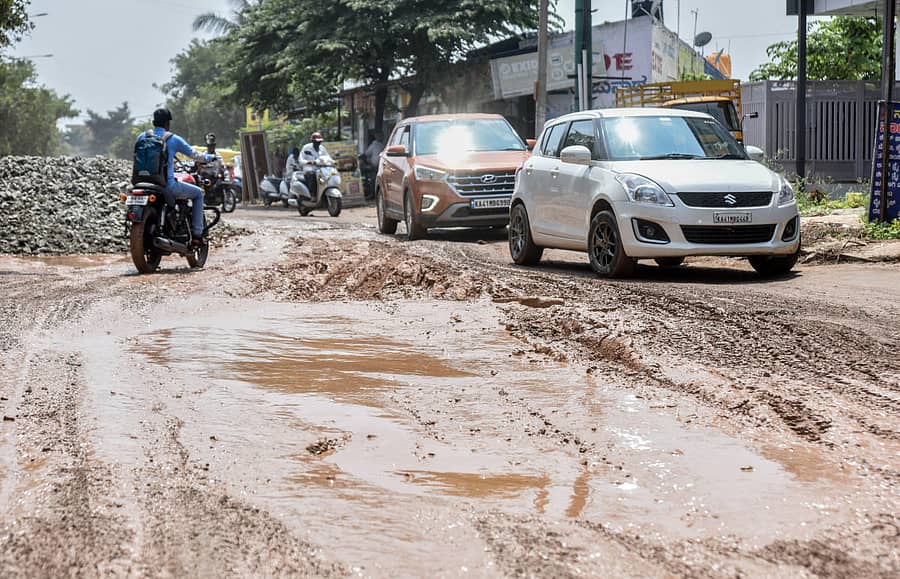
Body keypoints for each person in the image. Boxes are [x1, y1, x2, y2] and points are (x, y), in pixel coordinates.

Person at [145, 108, 214, 246]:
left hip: (143, 183)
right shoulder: (172, 139)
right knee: (198, 193)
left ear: (153, 122)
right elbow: (194, 155)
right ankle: (197, 235)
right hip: (166, 185)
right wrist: (209, 157)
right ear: (168, 123)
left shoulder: (142, 137)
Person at [300, 132, 329, 199]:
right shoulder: (306, 147)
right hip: (309, 168)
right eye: (316, 142)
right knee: (312, 174)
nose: (318, 143)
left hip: (321, 168)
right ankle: (313, 194)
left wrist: (333, 161)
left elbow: (327, 157)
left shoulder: (322, 148)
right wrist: (307, 162)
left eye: (320, 141)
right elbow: (301, 159)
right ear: (312, 141)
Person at [361, 131, 383, 199]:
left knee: (373, 180)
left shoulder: (376, 144)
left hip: (376, 167)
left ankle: (372, 194)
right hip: (377, 166)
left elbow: (366, 154)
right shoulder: (379, 144)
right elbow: (366, 154)